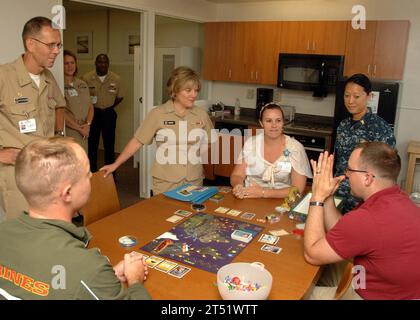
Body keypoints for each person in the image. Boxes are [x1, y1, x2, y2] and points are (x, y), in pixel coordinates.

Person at [0, 137, 151, 300]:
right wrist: (135, 280)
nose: (92, 176)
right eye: (87, 174)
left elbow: (47, 280)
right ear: (67, 193)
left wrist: (102, 280)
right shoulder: (88, 266)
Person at [304, 142, 420, 300]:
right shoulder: (398, 198)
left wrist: (317, 197)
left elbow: (312, 254)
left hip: (371, 295)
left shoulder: (369, 219)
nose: (346, 175)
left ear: (368, 178)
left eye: (350, 170)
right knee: (325, 269)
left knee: (298, 292)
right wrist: (328, 195)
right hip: (383, 284)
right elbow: (343, 231)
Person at [100, 66, 214, 195]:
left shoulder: (201, 114)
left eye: (196, 90)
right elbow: (138, 141)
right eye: (188, 90)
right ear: (175, 90)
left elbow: (209, 141)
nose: (194, 95)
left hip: (194, 180)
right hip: (166, 182)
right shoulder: (158, 114)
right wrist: (116, 164)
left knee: (192, 215)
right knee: (164, 214)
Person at [0, 16, 66, 220]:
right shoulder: (4, 77)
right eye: (51, 45)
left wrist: (58, 136)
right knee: (22, 237)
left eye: (59, 45)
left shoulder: (48, 77)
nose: (56, 51)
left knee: (47, 228)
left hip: (47, 171)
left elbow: (59, 106)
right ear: (30, 44)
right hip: (18, 175)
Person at [334, 73, 396, 213]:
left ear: (369, 96)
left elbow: (386, 172)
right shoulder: (343, 125)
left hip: (362, 201)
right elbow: (339, 165)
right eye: (346, 95)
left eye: (356, 96)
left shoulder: (380, 129)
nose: (350, 101)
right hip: (338, 194)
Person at [230, 103, 312, 199]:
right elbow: (237, 175)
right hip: (250, 198)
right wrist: (238, 185)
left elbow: (297, 190)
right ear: (261, 123)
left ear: (283, 123)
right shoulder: (251, 144)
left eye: (278, 120)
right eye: (268, 121)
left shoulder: (295, 148)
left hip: (283, 201)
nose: (274, 125)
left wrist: (263, 193)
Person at [82, 54, 124, 172]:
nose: (103, 64)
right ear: (95, 63)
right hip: (92, 114)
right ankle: (92, 174)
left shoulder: (116, 78)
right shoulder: (86, 78)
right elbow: (83, 99)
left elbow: (120, 97)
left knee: (109, 146)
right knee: (92, 146)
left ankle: (111, 175)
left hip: (109, 114)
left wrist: (108, 107)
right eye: (100, 62)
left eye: (105, 62)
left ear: (108, 64)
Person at [63, 50, 94, 152]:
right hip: (70, 130)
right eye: (66, 63)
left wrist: (88, 125)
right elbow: (61, 113)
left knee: (83, 161)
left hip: (85, 128)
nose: (70, 66)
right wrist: (79, 129)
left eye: (72, 63)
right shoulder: (59, 85)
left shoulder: (82, 84)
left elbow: (90, 106)